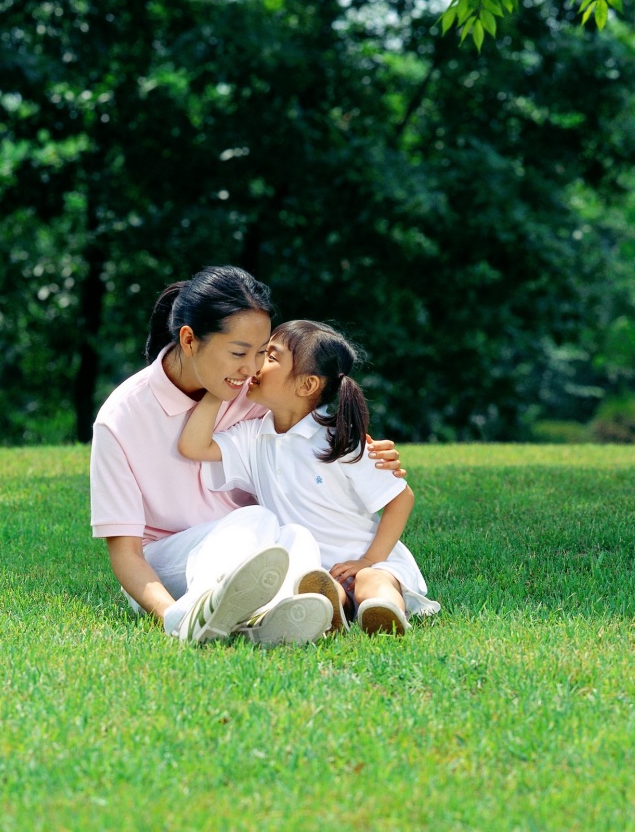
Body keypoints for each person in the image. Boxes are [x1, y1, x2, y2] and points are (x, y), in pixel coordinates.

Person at [90, 266, 405, 644]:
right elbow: (126, 554)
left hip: (256, 550)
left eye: (261, 353)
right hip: (172, 565)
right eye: (239, 352)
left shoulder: (252, 389)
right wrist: (169, 612)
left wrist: (362, 447)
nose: (252, 368)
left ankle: (266, 618)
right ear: (189, 340)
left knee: (298, 537)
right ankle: (201, 610)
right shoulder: (121, 419)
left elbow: (304, 419)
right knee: (253, 520)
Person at [178, 319, 440, 635]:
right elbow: (193, 446)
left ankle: (385, 614)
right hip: (313, 569)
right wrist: (219, 389)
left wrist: (369, 559)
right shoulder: (252, 437)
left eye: (271, 357)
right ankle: (336, 613)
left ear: (307, 385)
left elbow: (401, 498)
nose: (257, 363)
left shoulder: (339, 438)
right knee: (320, 588)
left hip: (369, 559)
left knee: (373, 582)